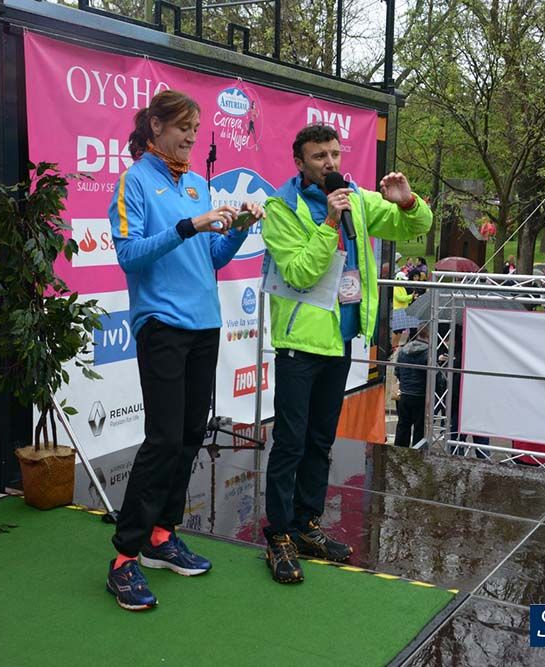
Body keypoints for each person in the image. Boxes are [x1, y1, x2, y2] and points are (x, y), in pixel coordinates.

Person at [104, 90, 264, 611]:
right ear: (155, 126)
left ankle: (160, 536)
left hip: (205, 325)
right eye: (183, 126)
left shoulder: (197, 184)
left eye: (197, 127)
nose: (193, 135)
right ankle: (124, 558)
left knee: (192, 434)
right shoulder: (134, 181)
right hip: (162, 326)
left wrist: (236, 231)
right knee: (163, 439)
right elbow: (130, 256)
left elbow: (211, 257)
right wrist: (187, 224)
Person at [260, 124, 432, 584]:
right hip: (299, 344)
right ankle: (278, 533)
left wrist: (408, 200)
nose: (330, 164)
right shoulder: (281, 207)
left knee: (320, 439)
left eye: (335, 154)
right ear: (300, 162)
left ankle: (307, 523)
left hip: (339, 339)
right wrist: (329, 224)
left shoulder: (353, 196)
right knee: (291, 442)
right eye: (319, 157)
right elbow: (297, 272)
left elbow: (416, 226)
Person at [394, 326, 444, 448]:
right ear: (429, 336)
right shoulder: (428, 354)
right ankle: (417, 455)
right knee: (419, 430)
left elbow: (397, 372)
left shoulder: (403, 351)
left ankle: (398, 453)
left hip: (404, 394)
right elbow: (436, 378)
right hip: (421, 396)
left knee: (402, 426)